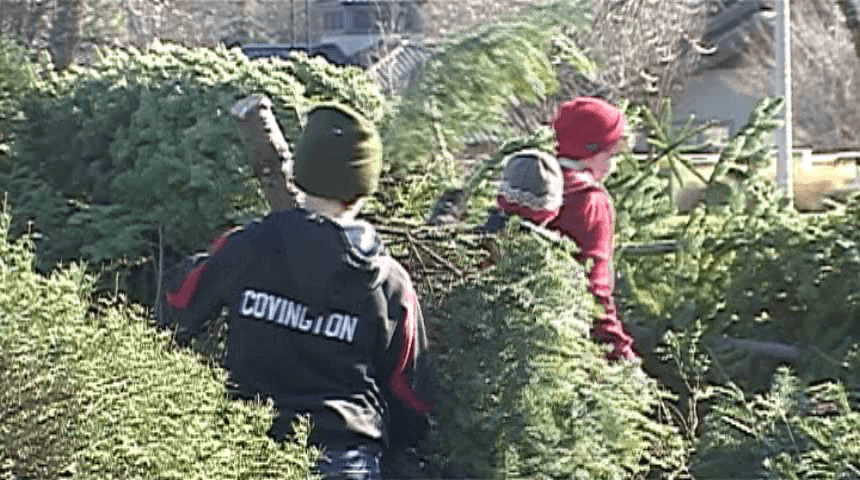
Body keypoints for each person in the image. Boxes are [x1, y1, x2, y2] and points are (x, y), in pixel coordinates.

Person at [163, 103, 435, 479]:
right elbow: (411, 394)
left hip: (250, 448)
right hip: (345, 459)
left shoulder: (246, 248)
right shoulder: (391, 283)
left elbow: (179, 304)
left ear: (300, 175)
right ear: (362, 191)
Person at [497, 97, 637, 362]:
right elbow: (594, 289)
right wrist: (620, 354)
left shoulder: (528, 179)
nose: (613, 164)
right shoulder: (590, 201)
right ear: (589, 152)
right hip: (567, 342)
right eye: (611, 155)